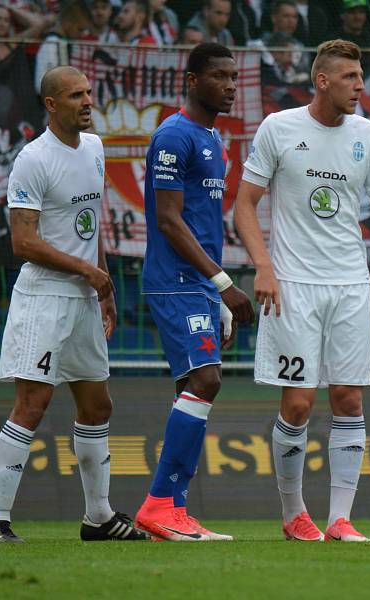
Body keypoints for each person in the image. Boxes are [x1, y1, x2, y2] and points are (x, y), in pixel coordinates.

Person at [234, 39, 370, 543]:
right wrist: (263, 267)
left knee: (347, 398)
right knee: (297, 405)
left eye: (361, 78)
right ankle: (294, 513)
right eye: (349, 78)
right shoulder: (279, 128)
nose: (360, 87)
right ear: (323, 81)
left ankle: (341, 518)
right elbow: (244, 205)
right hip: (293, 285)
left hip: (350, 285)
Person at [0, 66, 148, 544]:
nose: (87, 102)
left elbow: (89, 221)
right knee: (32, 404)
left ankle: (98, 518)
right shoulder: (33, 159)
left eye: (89, 93)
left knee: (97, 406)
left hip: (84, 297)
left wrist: (105, 285)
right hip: (44, 297)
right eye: (76, 95)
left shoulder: (95, 148)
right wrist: (86, 272)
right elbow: (23, 242)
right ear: (51, 105)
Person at [134, 42, 255, 542]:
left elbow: (204, 224)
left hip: (197, 285)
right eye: (220, 76)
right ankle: (159, 504)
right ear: (192, 80)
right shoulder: (173, 135)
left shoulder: (212, 138)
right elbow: (169, 220)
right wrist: (224, 285)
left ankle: (175, 512)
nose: (230, 85)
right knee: (207, 381)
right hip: (176, 281)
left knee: (193, 386)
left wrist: (214, 291)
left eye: (233, 77)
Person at [34, 1, 93, 94]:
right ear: (68, 23)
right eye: (80, 29)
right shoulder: (51, 44)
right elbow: (41, 85)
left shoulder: (66, 43)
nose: (81, 34)